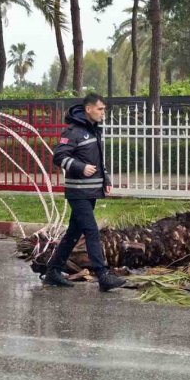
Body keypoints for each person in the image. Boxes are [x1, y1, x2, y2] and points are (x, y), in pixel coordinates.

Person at [45, 93, 127, 290]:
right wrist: (80, 167)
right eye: (100, 109)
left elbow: (98, 160)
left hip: (91, 191)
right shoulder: (72, 132)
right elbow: (59, 156)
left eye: (104, 110)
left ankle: (53, 271)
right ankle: (103, 275)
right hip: (78, 192)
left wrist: (105, 179)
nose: (103, 113)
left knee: (74, 232)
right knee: (91, 230)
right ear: (88, 109)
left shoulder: (93, 131)